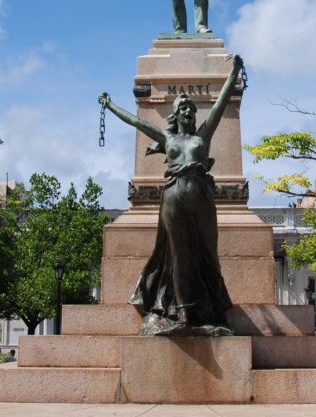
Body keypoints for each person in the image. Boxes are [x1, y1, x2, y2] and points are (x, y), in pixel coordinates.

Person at [99, 54, 243, 335]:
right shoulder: (168, 139)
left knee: (208, 254)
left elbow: (222, 101)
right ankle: (185, 312)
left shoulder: (203, 135)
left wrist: (235, 71)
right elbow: (137, 123)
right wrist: (110, 105)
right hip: (174, 197)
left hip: (201, 195)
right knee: (178, 257)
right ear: (175, 116)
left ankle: (215, 307)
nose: (189, 112)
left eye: (191, 109)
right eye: (183, 109)